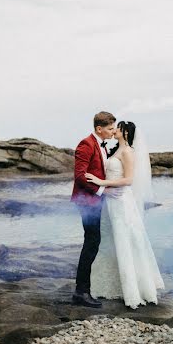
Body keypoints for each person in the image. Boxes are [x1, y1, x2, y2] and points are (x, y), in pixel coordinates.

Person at [86, 120, 164, 309]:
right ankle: (114, 286)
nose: (114, 131)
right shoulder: (115, 150)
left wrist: (100, 182)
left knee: (124, 240)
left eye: (117, 128)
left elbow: (128, 179)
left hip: (121, 201)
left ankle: (132, 291)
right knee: (109, 240)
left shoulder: (128, 152)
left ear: (126, 133)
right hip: (110, 201)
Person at [71, 111, 118, 308]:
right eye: (110, 128)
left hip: (95, 201)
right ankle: (81, 292)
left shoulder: (102, 145)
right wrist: (102, 190)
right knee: (91, 243)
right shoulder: (86, 144)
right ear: (99, 129)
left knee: (93, 242)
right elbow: (80, 175)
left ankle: (84, 290)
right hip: (87, 201)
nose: (113, 131)